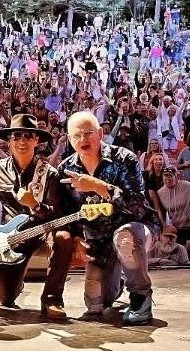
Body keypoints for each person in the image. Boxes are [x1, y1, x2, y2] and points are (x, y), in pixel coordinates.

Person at [59, 111, 160, 326]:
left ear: (100, 134)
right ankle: (118, 279)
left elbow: (137, 206)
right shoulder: (66, 170)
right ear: (69, 139)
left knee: (124, 238)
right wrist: (76, 238)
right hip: (98, 243)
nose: (83, 139)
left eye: (88, 133)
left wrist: (99, 187)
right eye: (77, 135)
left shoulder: (125, 158)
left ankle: (141, 297)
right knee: (95, 304)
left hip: (135, 230)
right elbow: (66, 213)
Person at [0, 114, 76, 318]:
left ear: (36, 140)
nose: (21, 141)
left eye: (27, 136)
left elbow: (59, 214)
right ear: (9, 141)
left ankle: (52, 299)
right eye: (16, 136)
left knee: (63, 238)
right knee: (5, 300)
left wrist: (35, 205)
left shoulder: (49, 173)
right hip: (13, 238)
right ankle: (14, 281)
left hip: (44, 232)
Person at [155, 166, 190, 242]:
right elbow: (161, 211)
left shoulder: (186, 185)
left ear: (176, 177)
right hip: (178, 229)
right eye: (165, 176)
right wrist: (165, 226)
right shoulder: (160, 192)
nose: (167, 178)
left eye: (170, 176)